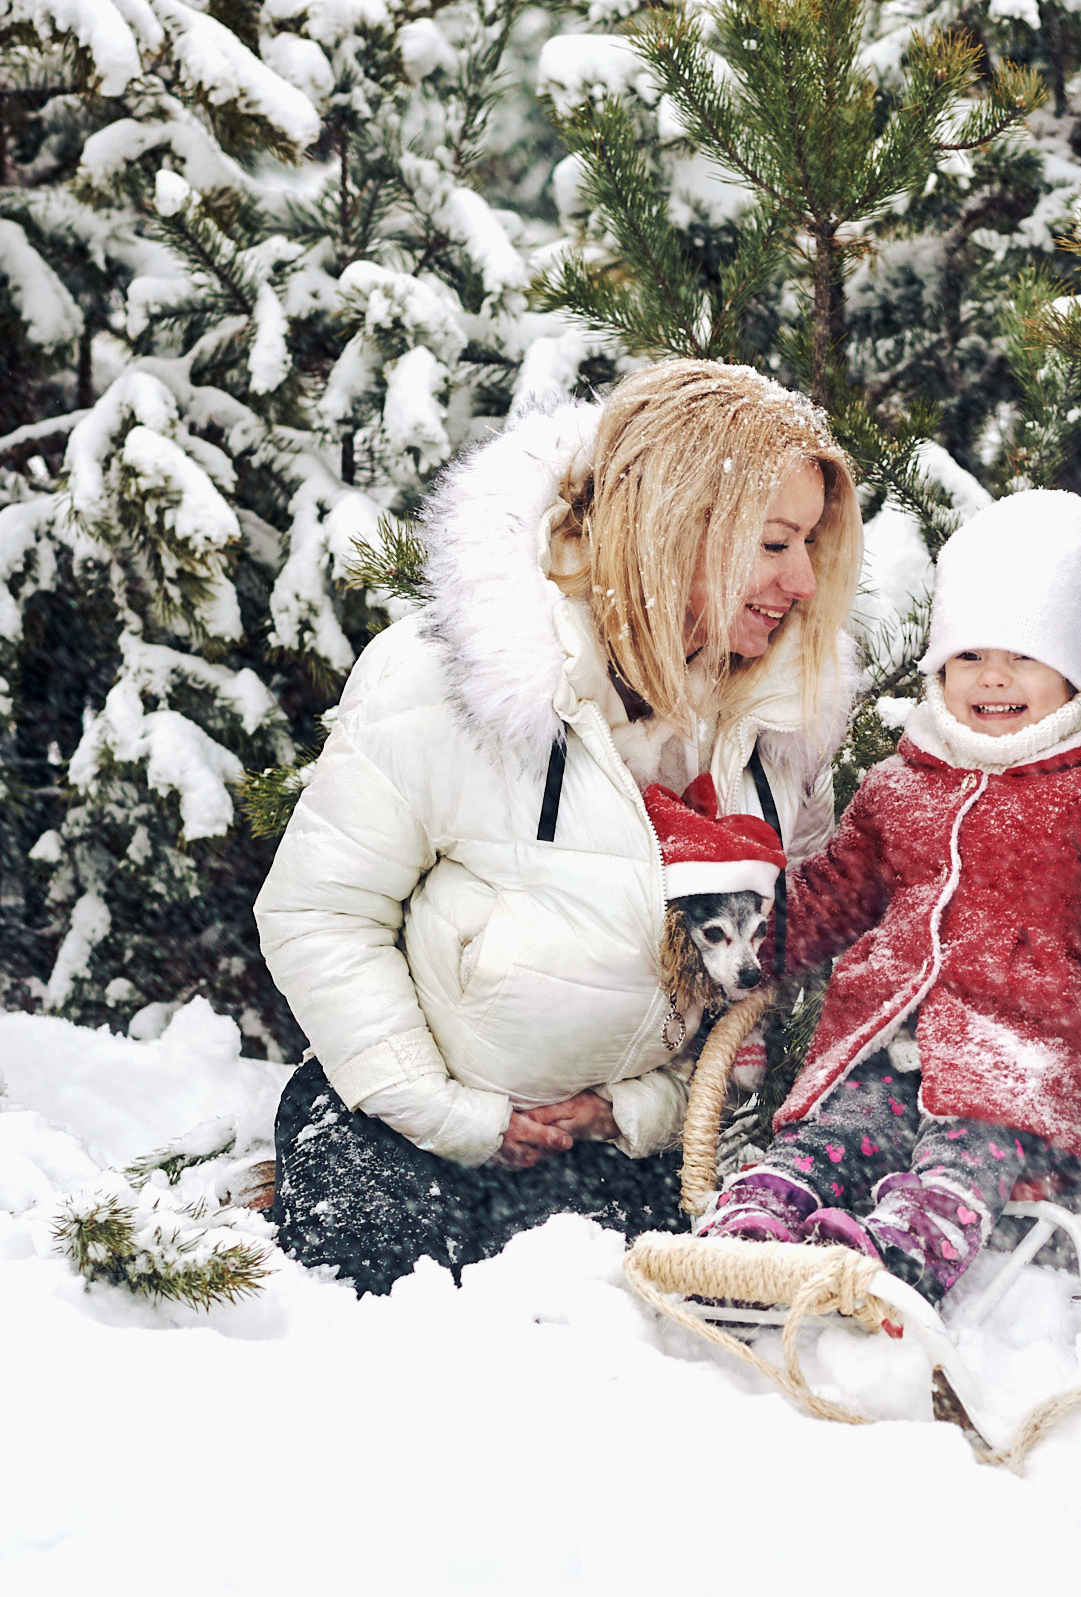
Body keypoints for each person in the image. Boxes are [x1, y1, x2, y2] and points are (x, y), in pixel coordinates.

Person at [254, 361, 862, 1295]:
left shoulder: (773, 732)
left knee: (625, 1321)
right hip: (402, 1128)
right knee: (380, 1294)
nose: (803, 579)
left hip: (617, 1148)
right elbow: (320, 914)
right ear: (674, 527)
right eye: (773, 542)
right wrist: (453, 1114)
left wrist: (632, 1111)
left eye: (811, 543)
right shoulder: (450, 681)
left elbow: (769, 977)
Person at [696, 491, 1081, 1301]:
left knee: (966, 1150)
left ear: (1075, 669)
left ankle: (899, 1256)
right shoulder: (901, 784)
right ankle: (754, 1222)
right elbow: (837, 890)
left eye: (1024, 655)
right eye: (969, 656)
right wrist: (754, 940)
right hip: (883, 1046)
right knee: (835, 1132)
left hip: (1022, 1059)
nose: (992, 676)